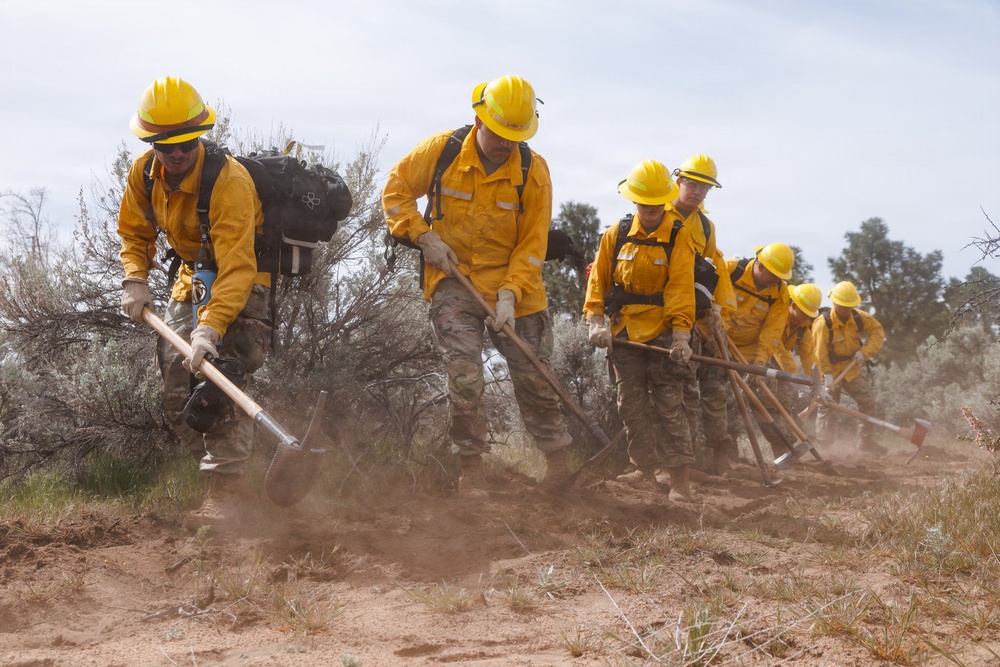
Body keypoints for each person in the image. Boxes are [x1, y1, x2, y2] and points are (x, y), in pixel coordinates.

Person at [382, 75, 572, 498]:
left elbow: (534, 242)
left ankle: (559, 466)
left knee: (535, 375)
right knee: (465, 377)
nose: (507, 144)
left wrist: (510, 294)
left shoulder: (533, 170)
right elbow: (395, 193)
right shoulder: (441, 151)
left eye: (516, 137)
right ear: (479, 120)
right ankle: (472, 471)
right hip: (455, 278)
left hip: (515, 285)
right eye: (500, 134)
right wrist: (423, 237)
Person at [118, 77, 271, 530]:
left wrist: (210, 328)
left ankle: (227, 489)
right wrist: (135, 278)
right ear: (151, 143)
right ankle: (227, 475)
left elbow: (237, 268)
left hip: (243, 276)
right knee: (177, 387)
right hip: (193, 275)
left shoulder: (229, 182)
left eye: (187, 142)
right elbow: (134, 232)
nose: (178, 153)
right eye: (166, 145)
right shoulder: (144, 173)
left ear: (199, 135)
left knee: (219, 376)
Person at [584, 159, 698, 502]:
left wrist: (681, 335)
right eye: (643, 203)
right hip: (625, 333)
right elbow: (597, 283)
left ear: (665, 200)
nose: (649, 210)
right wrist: (595, 322)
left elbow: (681, 289)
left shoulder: (679, 236)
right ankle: (644, 469)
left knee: (669, 405)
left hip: (663, 332)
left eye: (656, 203)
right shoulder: (616, 234)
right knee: (630, 405)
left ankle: (679, 479)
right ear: (633, 199)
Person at [667, 154, 738, 475]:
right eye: (692, 184)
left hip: (694, 320)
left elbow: (711, 273)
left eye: (705, 187)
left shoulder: (706, 228)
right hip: (656, 314)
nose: (697, 192)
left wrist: (717, 312)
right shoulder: (655, 210)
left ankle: (706, 459)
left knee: (697, 391)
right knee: (670, 392)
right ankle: (667, 463)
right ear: (678, 181)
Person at [724, 244, 794, 457]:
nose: (776, 280)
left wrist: (760, 361)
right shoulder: (730, 270)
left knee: (767, 397)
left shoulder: (779, 291)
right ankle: (729, 456)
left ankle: (783, 451)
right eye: (774, 275)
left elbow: (772, 330)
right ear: (760, 266)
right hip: (718, 344)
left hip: (751, 351)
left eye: (780, 277)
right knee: (724, 400)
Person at [813, 281, 886, 453]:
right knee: (827, 405)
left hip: (851, 369)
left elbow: (878, 333)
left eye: (850, 305)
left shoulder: (859, 318)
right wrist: (826, 374)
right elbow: (819, 352)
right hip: (830, 371)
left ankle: (865, 442)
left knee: (868, 401)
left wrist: (865, 352)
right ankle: (824, 449)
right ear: (834, 302)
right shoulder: (822, 323)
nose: (847, 309)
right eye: (843, 305)